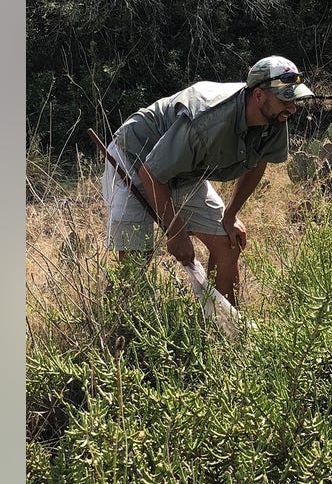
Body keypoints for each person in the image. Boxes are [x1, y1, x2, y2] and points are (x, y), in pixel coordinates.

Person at [101, 55, 315, 306]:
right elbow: (151, 172)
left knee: (228, 242)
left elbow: (258, 162)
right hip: (136, 157)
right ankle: (120, 329)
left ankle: (223, 331)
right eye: (285, 99)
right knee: (137, 258)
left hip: (184, 169)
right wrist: (176, 231)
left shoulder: (275, 118)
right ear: (259, 95)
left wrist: (231, 213)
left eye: (294, 99)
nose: (292, 108)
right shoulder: (208, 121)